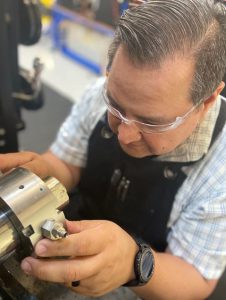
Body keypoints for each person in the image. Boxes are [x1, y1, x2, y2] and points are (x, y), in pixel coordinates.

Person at [1, 0, 226, 299]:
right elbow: (67, 165)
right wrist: (42, 172)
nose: (125, 135)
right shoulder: (100, 92)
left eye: (151, 122)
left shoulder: (220, 169)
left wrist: (133, 264)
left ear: (207, 102)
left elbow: (194, 278)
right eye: (117, 108)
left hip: (150, 277)